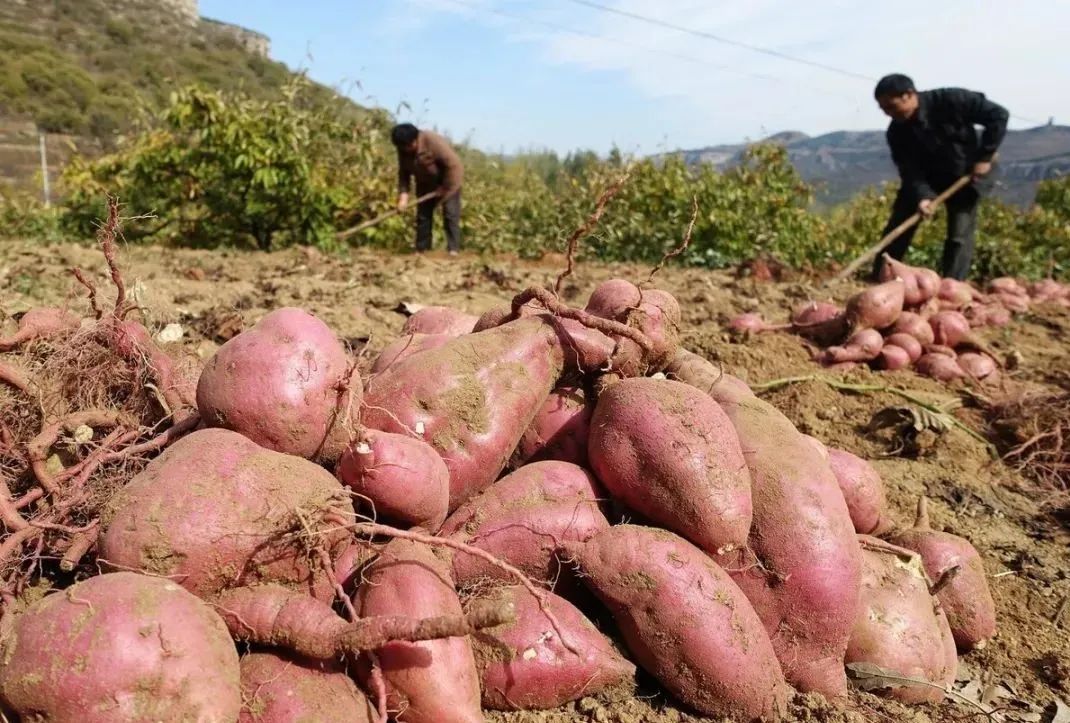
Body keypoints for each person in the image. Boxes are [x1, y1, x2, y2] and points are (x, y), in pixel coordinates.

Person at [872, 74, 1009, 281]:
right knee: (898, 225)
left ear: (909, 95)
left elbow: (998, 115)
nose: (888, 114)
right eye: (883, 109)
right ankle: (880, 276)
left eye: (891, 107)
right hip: (927, 179)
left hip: (966, 175)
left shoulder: (951, 100)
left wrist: (985, 156)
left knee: (959, 235)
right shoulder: (896, 132)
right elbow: (909, 171)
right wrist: (923, 196)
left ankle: (952, 284)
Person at [391, 123, 464, 255]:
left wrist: (445, 187)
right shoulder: (403, 149)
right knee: (423, 216)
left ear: (415, 140)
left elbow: (454, 165)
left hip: (449, 181)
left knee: (450, 214)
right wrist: (403, 196)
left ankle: (453, 249)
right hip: (425, 183)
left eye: (408, 146)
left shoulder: (433, 141)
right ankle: (422, 249)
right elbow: (403, 173)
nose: (405, 150)